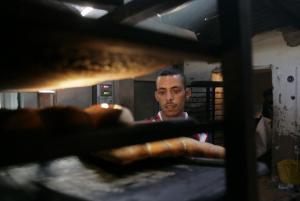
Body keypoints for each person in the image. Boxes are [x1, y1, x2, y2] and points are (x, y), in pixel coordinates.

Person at [148, 66, 209, 143]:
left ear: (187, 93)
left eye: (176, 91)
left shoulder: (201, 136)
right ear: (156, 96)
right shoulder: (145, 131)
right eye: (162, 92)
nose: (169, 98)